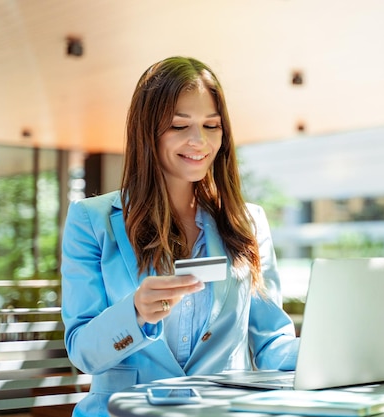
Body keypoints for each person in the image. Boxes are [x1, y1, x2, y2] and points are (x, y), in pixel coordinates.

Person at [61, 56, 299, 417]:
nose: (199, 140)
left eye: (211, 125)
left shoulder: (247, 223)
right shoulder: (91, 222)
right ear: (147, 131)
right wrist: (136, 313)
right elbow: (83, 354)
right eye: (178, 125)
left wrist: (333, 348)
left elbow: (271, 344)